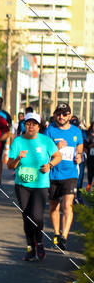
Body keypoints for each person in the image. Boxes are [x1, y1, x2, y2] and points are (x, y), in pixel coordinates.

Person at [7, 112, 61, 260]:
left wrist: (50, 165)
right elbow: (10, 165)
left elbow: (58, 156)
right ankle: (30, 246)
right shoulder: (18, 141)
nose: (31, 127)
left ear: (39, 127)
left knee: (36, 216)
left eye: (34, 124)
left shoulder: (45, 141)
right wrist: (18, 158)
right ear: (24, 125)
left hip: (40, 185)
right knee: (26, 217)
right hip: (22, 185)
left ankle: (39, 242)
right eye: (28, 124)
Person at [45, 104, 84, 249]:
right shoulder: (50, 130)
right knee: (54, 206)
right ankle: (56, 233)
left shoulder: (76, 131)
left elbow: (79, 145)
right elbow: (44, 151)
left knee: (67, 204)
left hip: (70, 173)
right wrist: (56, 148)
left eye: (64, 114)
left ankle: (64, 237)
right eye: (58, 114)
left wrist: (79, 155)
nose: (60, 116)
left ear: (69, 115)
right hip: (53, 173)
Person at [85, 121, 94, 189]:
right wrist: (90, 146)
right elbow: (85, 145)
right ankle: (88, 187)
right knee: (90, 173)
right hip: (90, 156)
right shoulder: (88, 134)